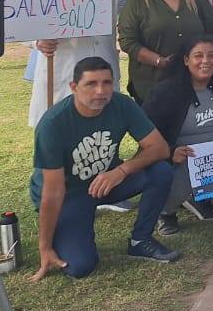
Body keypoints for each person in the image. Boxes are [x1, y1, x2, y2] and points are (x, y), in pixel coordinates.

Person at [30, 57, 181, 280]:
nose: (101, 91)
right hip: (69, 193)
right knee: (80, 266)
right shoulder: (53, 124)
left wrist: (121, 171)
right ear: (74, 87)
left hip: (107, 181)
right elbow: (53, 192)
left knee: (160, 170)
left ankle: (140, 240)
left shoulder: (122, 105)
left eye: (107, 83)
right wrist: (45, 246)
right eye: (91, 84)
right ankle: (75, 226)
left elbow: (159, 148)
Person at [142, 36, 213, 234]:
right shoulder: (167, 91)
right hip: (179, 158)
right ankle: (165, 212)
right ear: (186, 60)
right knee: (179, 173)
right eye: (198, 56)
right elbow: (146, 130)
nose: (205, 61)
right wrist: (170, 153)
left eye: (211, 56)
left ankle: (200, 198)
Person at [29, 0, 127, 126]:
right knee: (62, 124)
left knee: (102, 127)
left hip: (103, 60)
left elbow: (125, 3)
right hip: (64, 64)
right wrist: (36, 41)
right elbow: (25, 14)